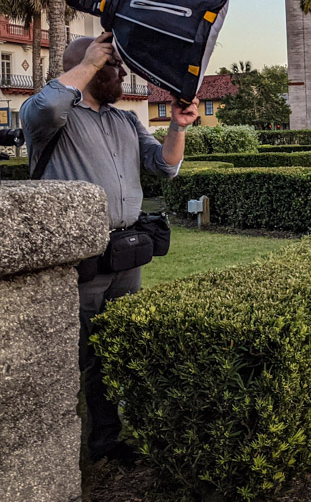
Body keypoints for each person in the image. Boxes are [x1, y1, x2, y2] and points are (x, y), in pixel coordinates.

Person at [20, 33, 198, 464]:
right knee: (75, 355)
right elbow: (47, 106)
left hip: (124, 254)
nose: (122, 73)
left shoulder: (125, 121)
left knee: (117, 350)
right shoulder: (52, 119)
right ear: (91, 68)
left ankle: (107, 439)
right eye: (113, 66)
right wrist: (88, 62)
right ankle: (56, 451)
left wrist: (178, 126)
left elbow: (165, 166)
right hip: (77, 260)